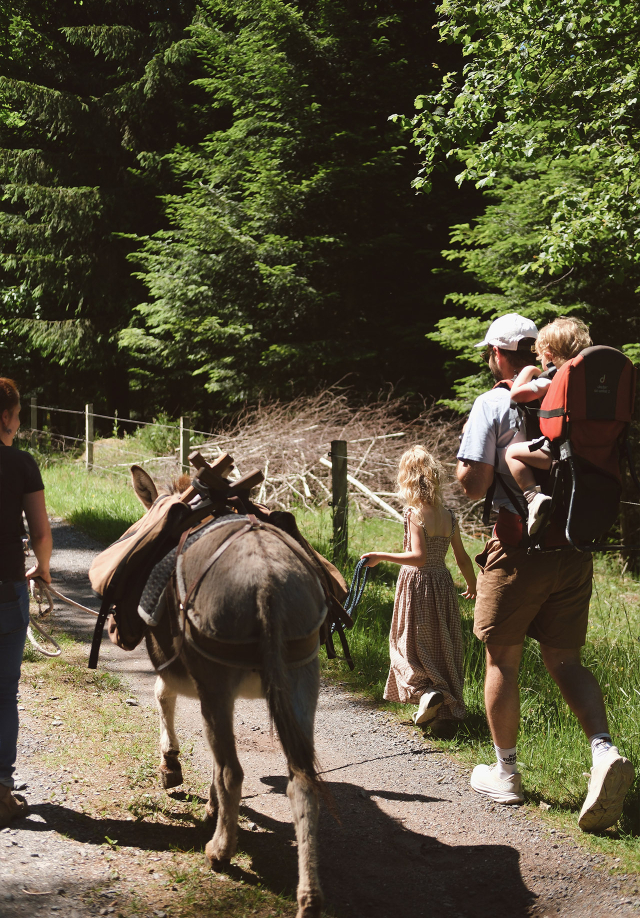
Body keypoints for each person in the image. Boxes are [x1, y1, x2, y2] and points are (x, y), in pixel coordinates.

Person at [456, 313, 634, 831]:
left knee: (502, 660)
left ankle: (506, 774)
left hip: (518, 551)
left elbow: (472, 485)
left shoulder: (496, 401)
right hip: (575, 548)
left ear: (498, 354)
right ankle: (603, 753)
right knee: (566, 662)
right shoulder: (586, 399)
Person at [361, 446, 476, 729]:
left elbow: (419, 557)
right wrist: (473, 584)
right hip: (443, 583)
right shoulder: (449, 515)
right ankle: (443, 711)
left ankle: (426, 693)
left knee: (407, 646)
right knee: (440, 645)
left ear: (407, 478)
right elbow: (461, 557)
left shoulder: (414, 513)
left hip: (418, 583)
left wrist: (380, 556)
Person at [0, 378, 52, 827]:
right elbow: (40, 533)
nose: (19, 422)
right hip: (5, 590)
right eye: (17, 415)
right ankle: (0, 790)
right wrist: (43, 568)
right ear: (5, 417)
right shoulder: (21, 464)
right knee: (3, 692)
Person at [505, 317, 593, 535]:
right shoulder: (587, 381)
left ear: (549, 356)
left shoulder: (550, 379)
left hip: (557, 453)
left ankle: (533, 498)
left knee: (512, 453)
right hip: (589, 451)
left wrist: (528, 370)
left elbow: (515, 395)